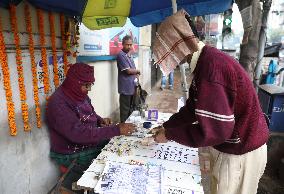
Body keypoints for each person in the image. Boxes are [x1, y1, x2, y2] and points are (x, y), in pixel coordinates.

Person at [152, 10, 269, 194]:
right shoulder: (205, 62)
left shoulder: (211, 68)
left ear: (179, 45)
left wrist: (170, 135)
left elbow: (216, 131)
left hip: (240, 151)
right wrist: (167, 126)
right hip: (237, 145)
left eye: (168, 48)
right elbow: (192, 108)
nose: (170, 57)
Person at [46, 63, 136, 167]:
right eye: (86, 85)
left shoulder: (78, 93)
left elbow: (90, 113)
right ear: (74, 83)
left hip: (88, 141)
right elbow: (77, 134)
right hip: (72, 152)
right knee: (116, 160)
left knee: (124, 145)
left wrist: (99, 119)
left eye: (90, 84)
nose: (89, 89)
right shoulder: (58, 103)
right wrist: (116, 129)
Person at [117, 35, 140, 122]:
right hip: (125, 88)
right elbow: (128, 71)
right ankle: (122, 129)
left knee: (131, 109)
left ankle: (128, 128)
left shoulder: (129, 55)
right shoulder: (121, 55)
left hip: (132, 87)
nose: (129, 46)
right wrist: (137, 71)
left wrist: (137, 75)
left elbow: (133, 69)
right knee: (124, 111)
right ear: (122, 44)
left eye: (130, 44)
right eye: (127, 45)